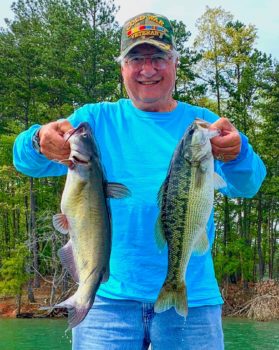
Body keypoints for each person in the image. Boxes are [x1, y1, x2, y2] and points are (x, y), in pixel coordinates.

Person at [13, 12, 266, 350]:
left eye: (159, 57)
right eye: (136, 58)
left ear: (175, 63)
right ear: (122, 68)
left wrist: (238, 152)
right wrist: (38, 139)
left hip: (193, 300)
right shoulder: (94, 120)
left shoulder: (205, 124)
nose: (148, 69)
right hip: (106, 300)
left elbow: (249, 184)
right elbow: (25, 161)